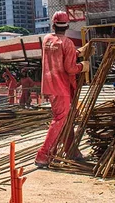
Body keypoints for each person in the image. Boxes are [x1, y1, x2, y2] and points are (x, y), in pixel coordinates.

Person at [34, 11, 88, 168]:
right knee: (59, 120)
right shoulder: (68, 43)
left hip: (50, 86)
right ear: (68, 26)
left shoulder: (46, 40)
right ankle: (43, 155)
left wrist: (78, 52)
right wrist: (82, 66)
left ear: (53, 25)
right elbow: (70, 68)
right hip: (61, 87)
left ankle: (71, 150)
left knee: (66, 119)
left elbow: (58, 52)